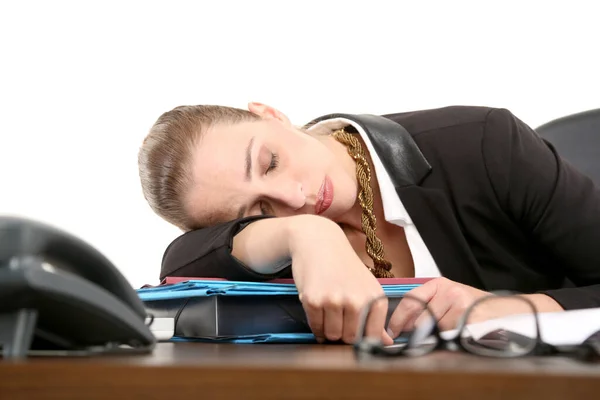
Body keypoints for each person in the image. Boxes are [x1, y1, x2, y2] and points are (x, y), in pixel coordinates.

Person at [137, 102, 600, 345]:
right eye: (258, 212)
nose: (293, 198)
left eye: (270, 162)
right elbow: (181, 261)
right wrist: (305, 234)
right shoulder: (281, 240)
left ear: (271, 114)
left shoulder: (485, 142)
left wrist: (509, 309)